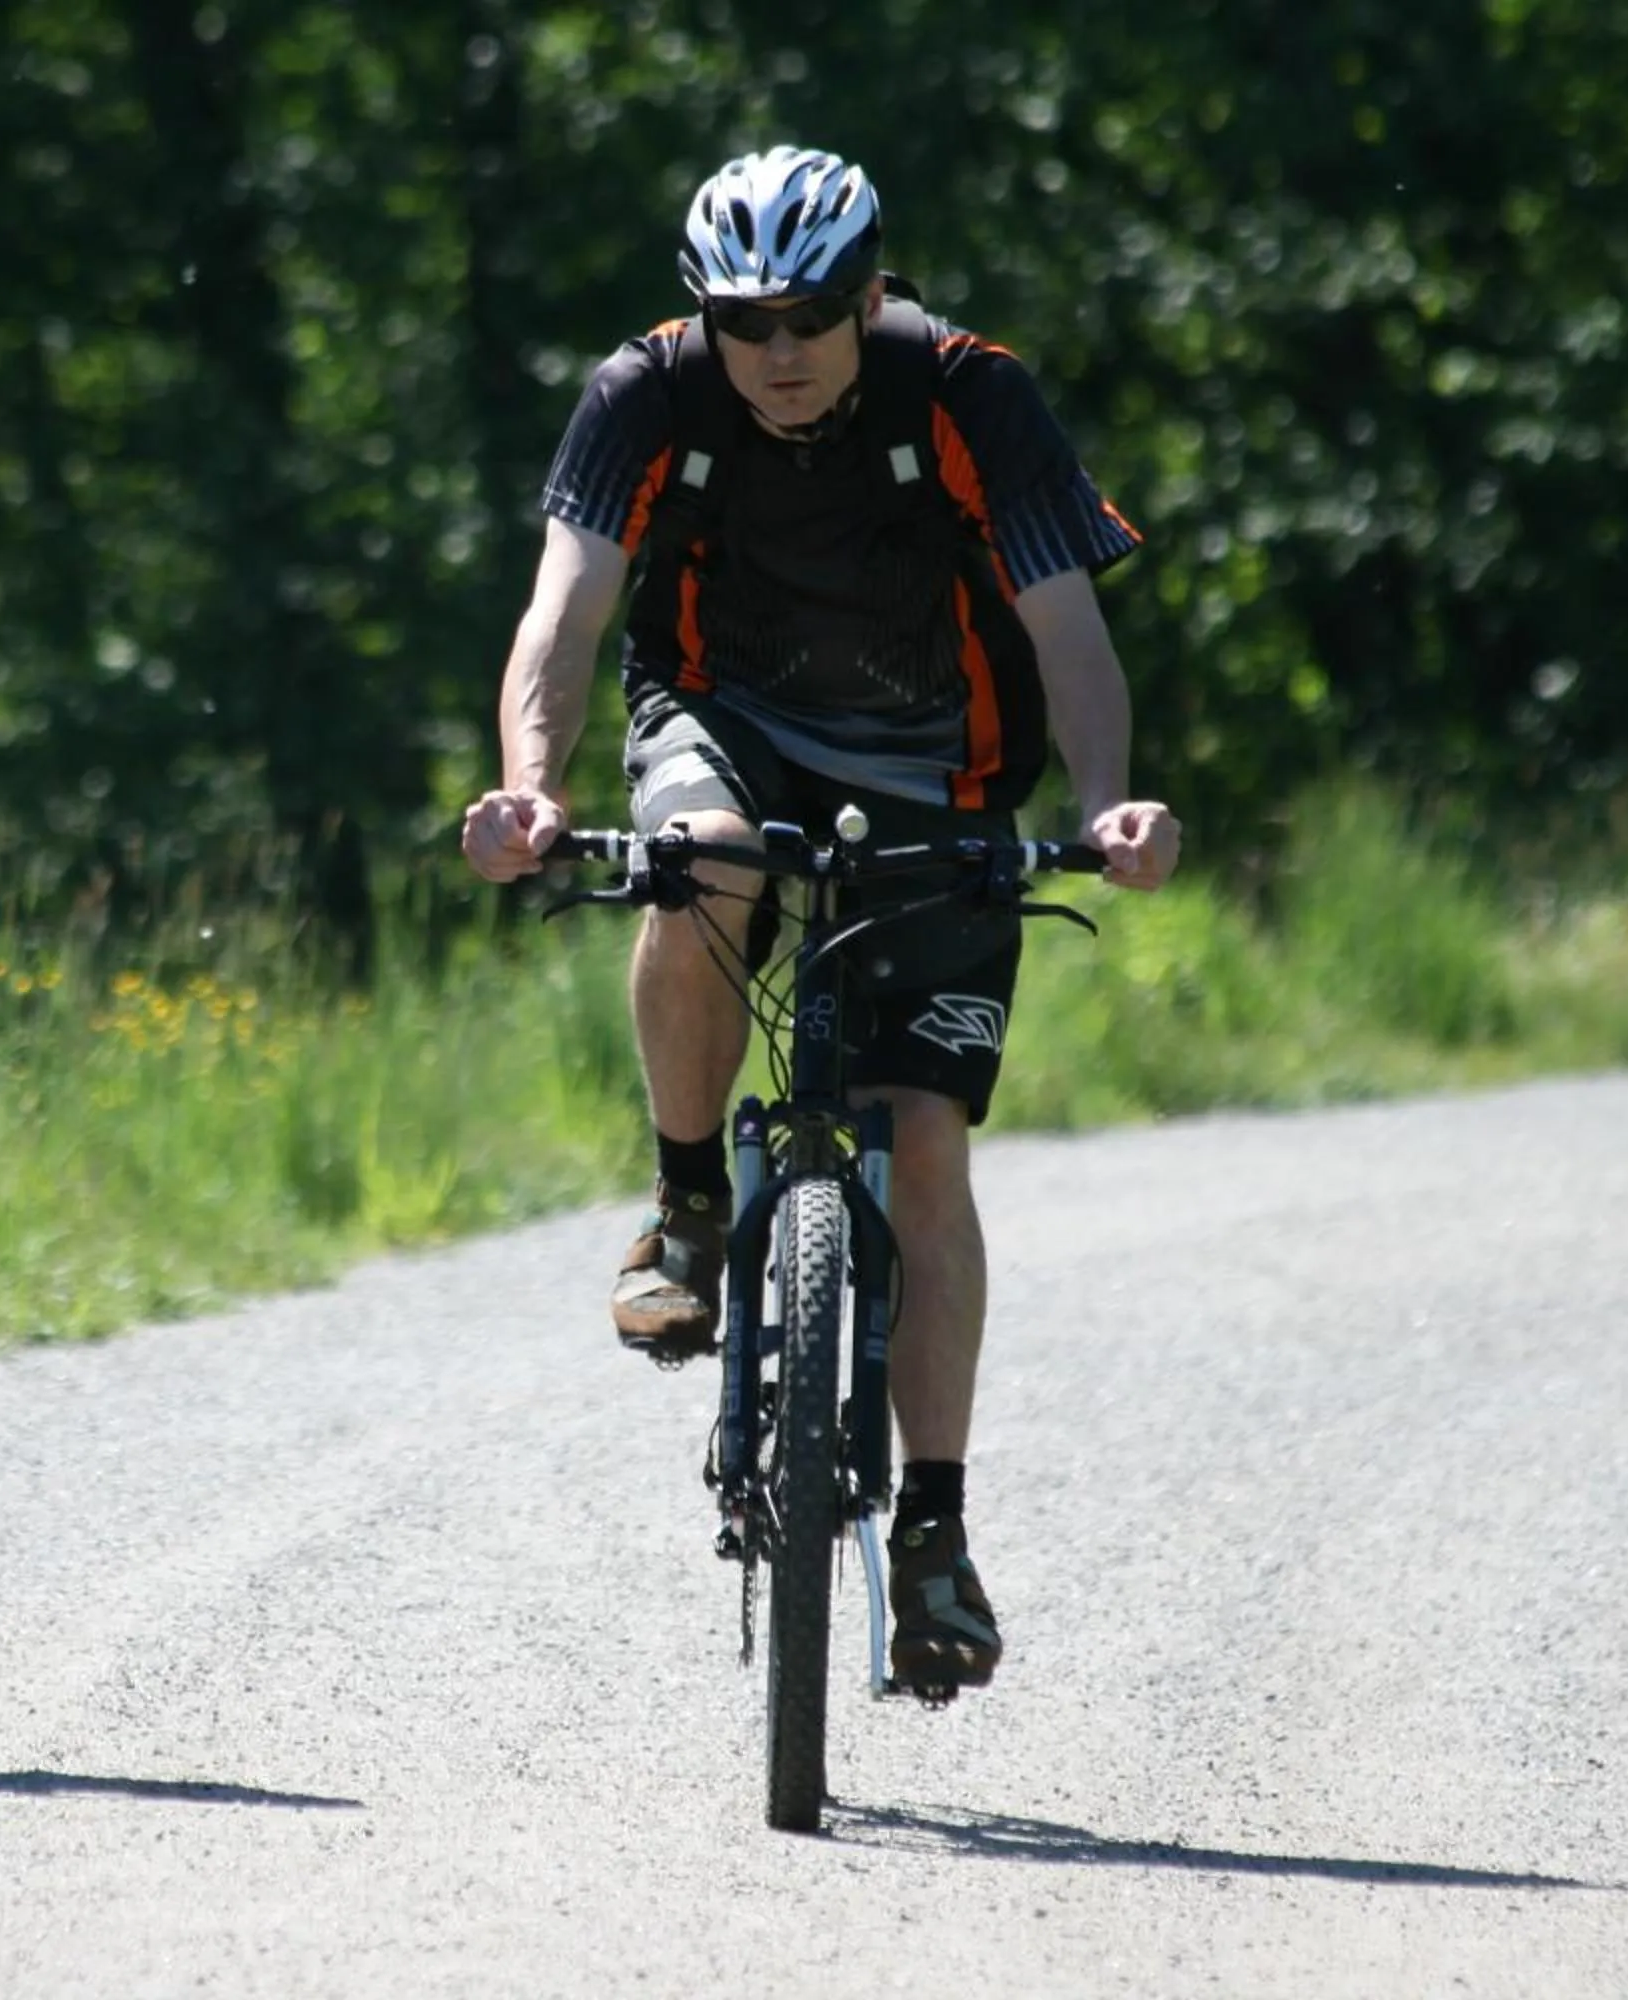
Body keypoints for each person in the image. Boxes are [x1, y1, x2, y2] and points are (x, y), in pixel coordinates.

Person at [460, 148, 1181, 1692]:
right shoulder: (642, 398)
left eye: (806, 316)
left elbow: (1071, 637)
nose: (776, 354)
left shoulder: (972, 397)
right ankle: (688, 1206)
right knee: (698, 859)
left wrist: (1109, 801)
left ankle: (934, 1528)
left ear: (870, 293)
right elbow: (566, 613)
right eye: (742, 321)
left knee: (923, 1139)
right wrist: (527, 787)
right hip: (724, 714)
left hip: (943, 761)